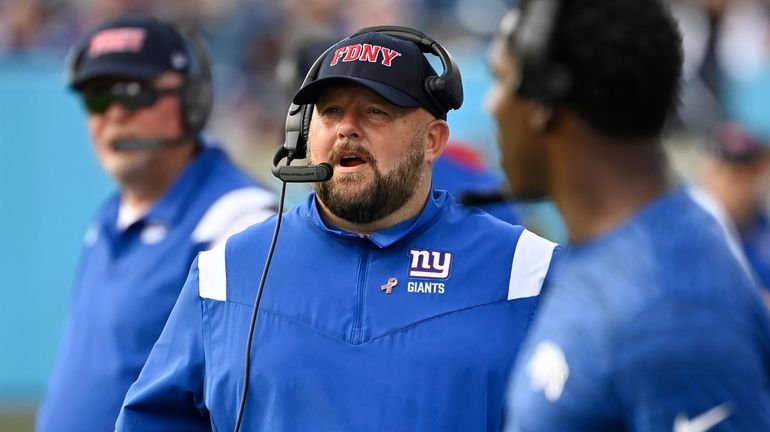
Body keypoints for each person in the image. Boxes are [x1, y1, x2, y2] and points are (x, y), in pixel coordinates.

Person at [116, 27, 559, 431]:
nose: (347, 127)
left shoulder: (527, 272)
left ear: (433, 141)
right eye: (330, 111)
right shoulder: (225, 273)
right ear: (303, 135)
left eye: (375, 110)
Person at [485, 1, 770, 430]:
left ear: (545, 104)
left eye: (502, 81)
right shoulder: (604, 251)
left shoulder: (675, 310)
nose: (491, 106)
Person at [37, 16, 276, 432]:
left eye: (132, 94)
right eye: (95, 99)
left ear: (192, 101)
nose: (112, 115)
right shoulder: (111, 215)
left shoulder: (239, 220)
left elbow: (253, 399)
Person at [703, 122, 770, 296]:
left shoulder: (764, 231)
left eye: (746, 172)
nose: (735, 184)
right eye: (729, 172)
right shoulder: (692, 229)